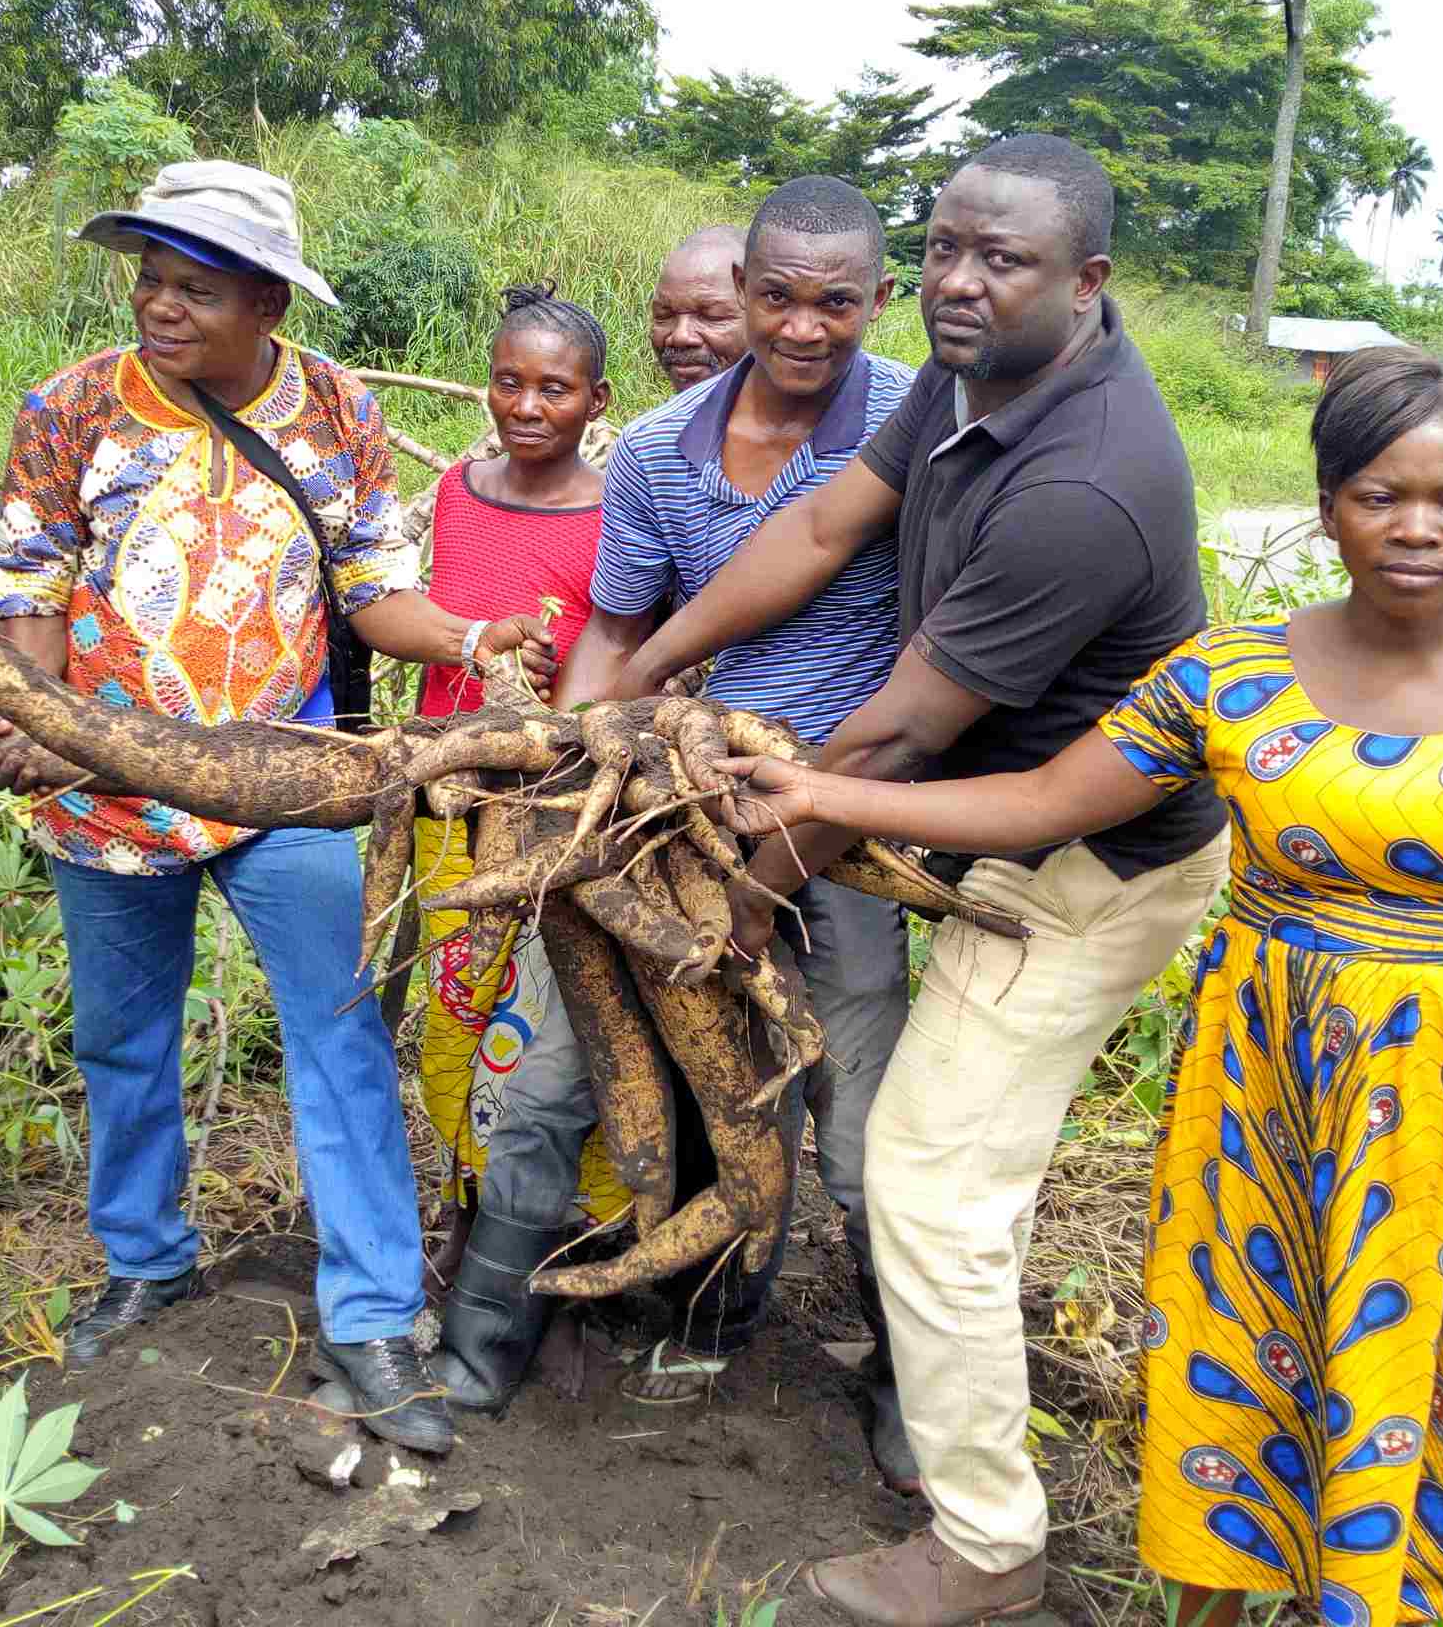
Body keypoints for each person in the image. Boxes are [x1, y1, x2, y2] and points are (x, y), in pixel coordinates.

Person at [722, 345, 1443, 1627]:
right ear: (1326, 503)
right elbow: (1043, 798)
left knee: (1416, 1356)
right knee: (1236, 1345)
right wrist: (828, 794)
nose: (1415, 530)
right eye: (1378, 496)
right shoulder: (1227, 677)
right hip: (1263, 1078)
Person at [610, 135, 1231, 1622]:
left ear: (1086, 284)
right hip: (995, 833)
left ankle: (985, 1548)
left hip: (1083, 863)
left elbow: (895, 724)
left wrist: (737, 888)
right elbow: (817, 531)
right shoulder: (979, 377)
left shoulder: (1085, 481)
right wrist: (635, 677)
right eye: (945, 246)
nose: (958, 280)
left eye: (998, 259)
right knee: (959, 1152)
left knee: (926, 1176)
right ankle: (949, 1378)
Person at [0, 160, 551, 1459]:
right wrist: (37, 717)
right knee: (123, 1042)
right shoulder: (71, 409)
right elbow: (25, 586)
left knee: (341, 1040)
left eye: (194, 287)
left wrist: (471, 631)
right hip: (111, 793)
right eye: (149, 279)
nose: (160, 308)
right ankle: (147, 1259)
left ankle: (368, 1314)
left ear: (267, 300)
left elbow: (370, 587)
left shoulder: (333, 408)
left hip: (289, 783)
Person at [440, 178, 924, 1492]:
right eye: (779, 296)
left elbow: (937, 650)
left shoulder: (920, 420)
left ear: (881, 300)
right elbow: (613, 628)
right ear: (745, 297)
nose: (806, 326)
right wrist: (570, 772)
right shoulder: (658, 449)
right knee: (548, 1076)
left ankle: (887, 1377)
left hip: (841, 826)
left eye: (838, 300)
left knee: (848, 1108)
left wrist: (797, 842)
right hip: (661, 814)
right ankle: (485, 1335)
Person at [412, 283, 634, 1277]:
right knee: (457, 1008)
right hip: (451, 799)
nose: (528, 406)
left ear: (597, 400)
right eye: (508, 382)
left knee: (555, 1023)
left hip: (564, 808)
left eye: (555, 387)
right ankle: (466, 1199)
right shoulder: (457, 490)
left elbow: (635, 652)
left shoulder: (622, 507)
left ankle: (567, 1227)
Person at [647, 222, 749, 392]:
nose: (680, 336)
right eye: (664, 316)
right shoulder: (660, 419)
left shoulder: (805, 415)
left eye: (712, 316)